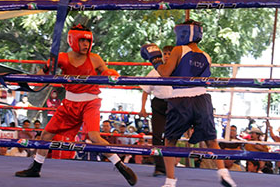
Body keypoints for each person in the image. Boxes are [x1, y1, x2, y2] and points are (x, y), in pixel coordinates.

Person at [15, 24, 137, 186]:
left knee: (94, 136)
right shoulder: (63, 58)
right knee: (46, 135)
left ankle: (120, 165)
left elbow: (106, 73)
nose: (86, 44)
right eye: (82, 41)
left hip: (90, 103)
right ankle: (35, 168)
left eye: (88, 41)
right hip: (70, 103)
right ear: (73, 40)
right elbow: (40, 79)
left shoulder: (95, 59)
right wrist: (39, 72)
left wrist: (111, 75)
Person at [140, 19, 236, 187]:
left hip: (181, 100)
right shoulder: (206, 56)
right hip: (202, 99)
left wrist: (155, 58)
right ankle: (223, 173)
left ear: (182, 32)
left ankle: (170, 181)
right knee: (211, 140)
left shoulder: (179, 49)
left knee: (170, 141)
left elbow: (164, 74)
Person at [139, 45, 173, 177]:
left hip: (173, 105)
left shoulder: (178, 71)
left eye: (170, 53)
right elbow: (145, 90)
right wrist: (142, 107)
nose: (167, 56)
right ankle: (159, 167)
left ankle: (169, 166)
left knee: (170, 137)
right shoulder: (154, 72)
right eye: (165, 53)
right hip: (158, 105)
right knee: (157, 136)